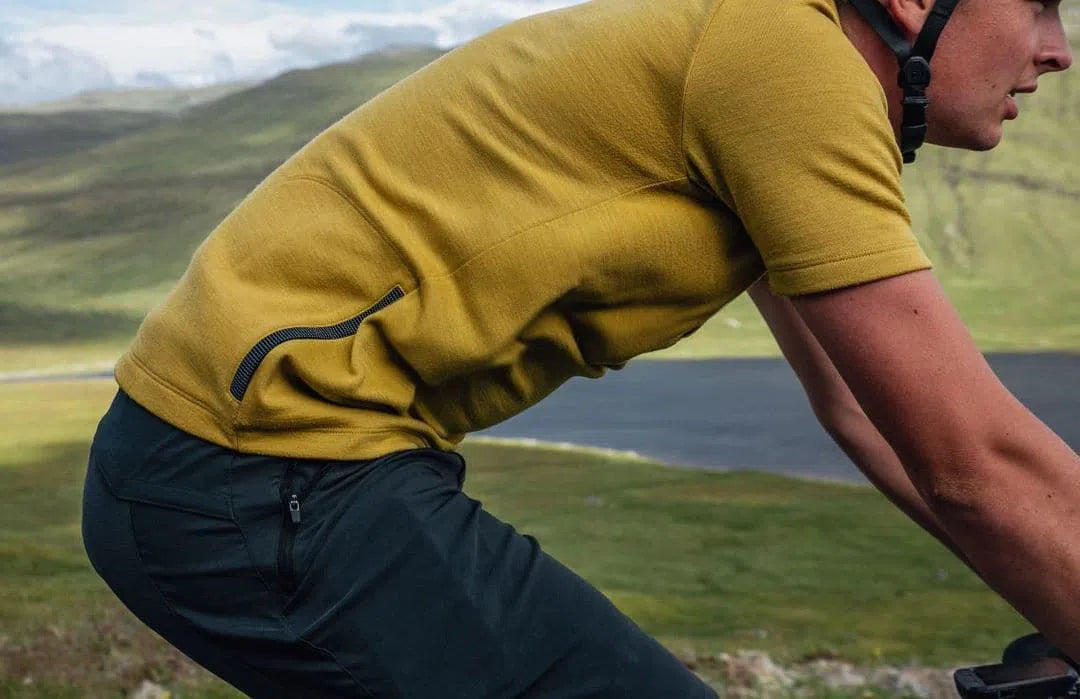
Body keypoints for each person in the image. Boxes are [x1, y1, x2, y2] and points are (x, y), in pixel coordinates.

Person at [80, 0, 1075, 695]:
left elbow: (869, 417)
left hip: (255, 469)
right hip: (253, 473)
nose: (1058, 49)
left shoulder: (775, 55)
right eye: (1038, 5)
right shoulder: (789, 61)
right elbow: (974, 463)